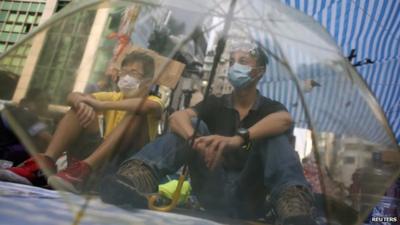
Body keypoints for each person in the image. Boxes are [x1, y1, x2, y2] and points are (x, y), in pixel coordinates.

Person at [98, 40, 317, 225]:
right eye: (232, 62)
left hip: (251, 198)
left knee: (272, 135)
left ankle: (293, 201)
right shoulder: (216, 103)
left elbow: (285, 120)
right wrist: (196, 141)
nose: (234, 67)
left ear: (259, 72)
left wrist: (237, 139)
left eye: (242, 62)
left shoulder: (270, 108)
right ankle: (138, 175)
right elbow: (177, 118)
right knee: (194, 126)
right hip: (213, 190)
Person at [2, 51, 166, 191]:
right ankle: (45, 165)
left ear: (148, 81)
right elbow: (72, 96)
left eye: (135, 73)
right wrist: (80, 103)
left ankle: (85, 169)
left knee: (136, 114)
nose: (127, 77)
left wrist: (100, 104)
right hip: (103, 159)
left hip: (126, 165)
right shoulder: (116, 97)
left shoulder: (154, 101)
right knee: (79, 107)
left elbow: (147, 107)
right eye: (124, 72)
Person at [0, 91, 52, 166]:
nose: (45, 104)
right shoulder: (27, 115)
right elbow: (46, 138)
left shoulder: (14, 111)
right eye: (41, 100)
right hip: (8, 160)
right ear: (29, 102)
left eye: (47, 101)